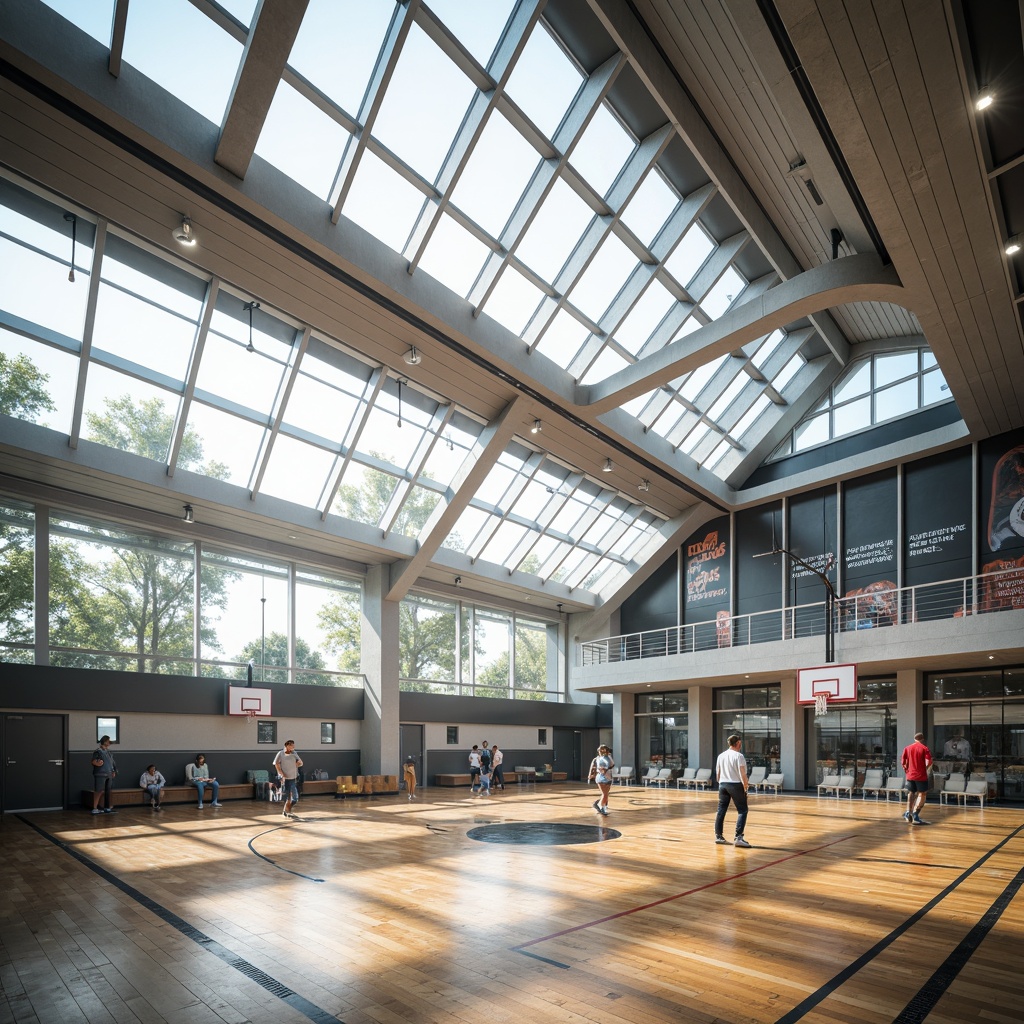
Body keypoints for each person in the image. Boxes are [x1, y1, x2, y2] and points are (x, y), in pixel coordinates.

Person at [714, 734, 751, 847]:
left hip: (722, 785)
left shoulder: (721, 756)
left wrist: (721, 783)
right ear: (738, 743)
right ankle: (738, 837)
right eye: (740, 743)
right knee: (742, 810)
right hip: (735, 785)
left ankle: (719, 836)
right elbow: (742, 773)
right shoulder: (739, 756)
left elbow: (718, 774)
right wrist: (745, 786)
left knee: (721, 810)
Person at [902, 731, 933, 825]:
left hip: (910, 775)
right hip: (921, 775)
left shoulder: (907, 748)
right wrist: (925, 768)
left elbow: (903, 762)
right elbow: (929, 761)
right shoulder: (924, 748)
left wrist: (907, 771)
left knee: (911, 792)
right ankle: (915, 814)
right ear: (922, 739)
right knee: (922, 794)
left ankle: (908, 812)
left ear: (914, 739)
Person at [273, 739, 303, 818]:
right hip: (285, 779)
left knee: (295, 798)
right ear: (287, 746)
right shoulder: (281, 753)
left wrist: (296, 764)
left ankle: (286, 810)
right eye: (291, 745)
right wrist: (281, 773)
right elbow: (276, 764)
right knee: (288, 797)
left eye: (293, 745)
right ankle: (286, 811)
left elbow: (301, 762)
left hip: (293, 778)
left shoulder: (294, 753)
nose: (293, 747)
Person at [90, 735, 117, 815]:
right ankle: (95, 808)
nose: (109, 742)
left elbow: (112, 762)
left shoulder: (109, 752)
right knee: (98, 791)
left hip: (109, 774)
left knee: (108, 791)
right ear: (104, 741)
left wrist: (113, 771)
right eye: (108, 741)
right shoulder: (98, 751)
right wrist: (97, 763)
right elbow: (93, 761)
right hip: (100, 774)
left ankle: (107, 807)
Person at [590, 744, 614, 816]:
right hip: (601, 777)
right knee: (604, 794)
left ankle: (600, 806)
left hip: (608, 777)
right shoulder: (598, 758)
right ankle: (600, 807)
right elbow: (597, 767)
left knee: (606, 794)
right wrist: (592, 774)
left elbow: (611, 765)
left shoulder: (607, 757)